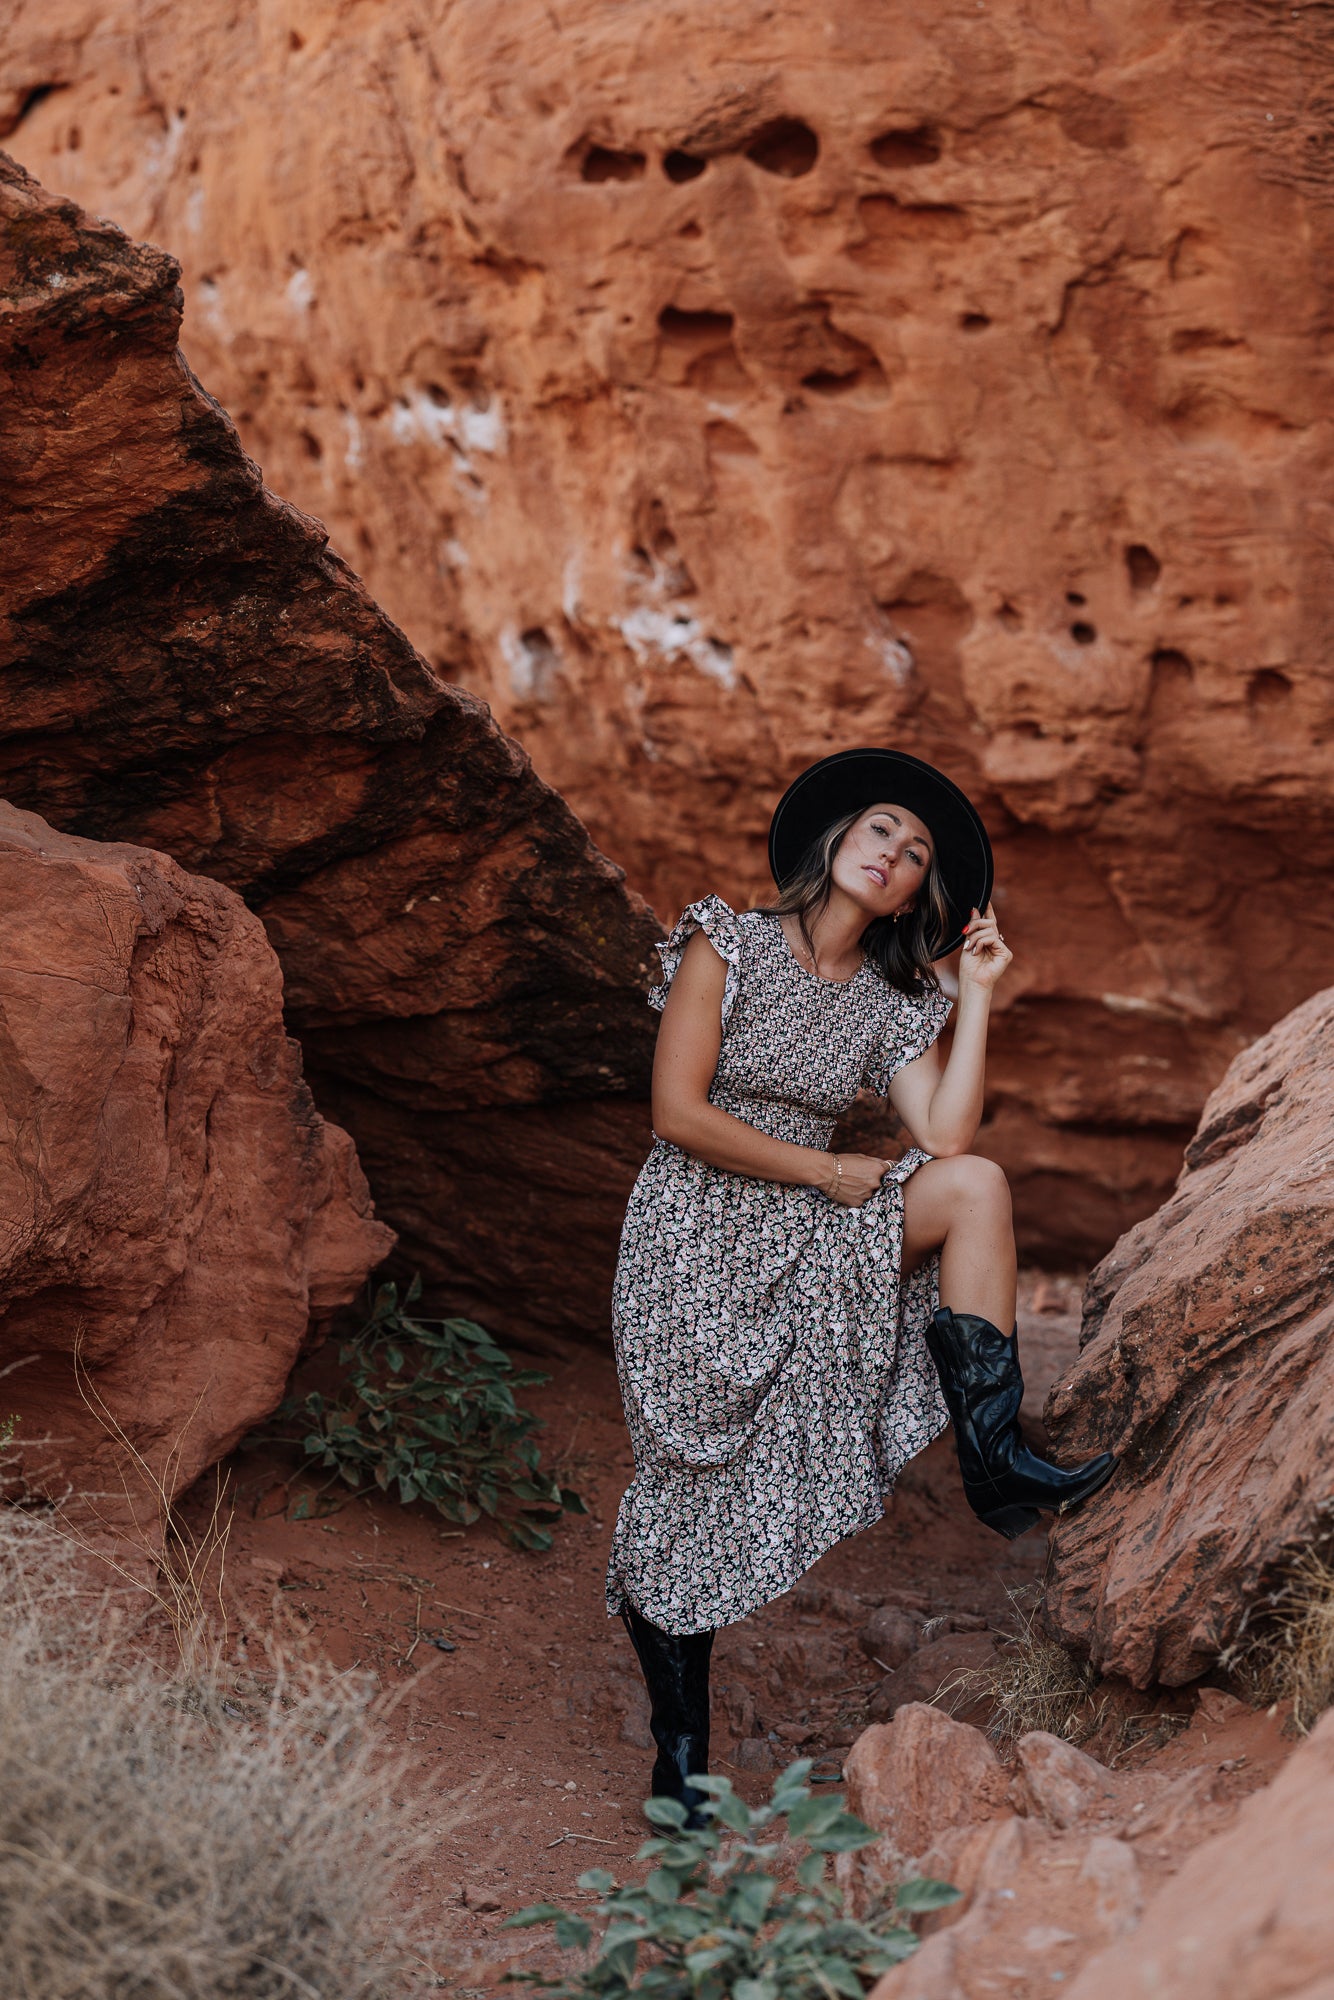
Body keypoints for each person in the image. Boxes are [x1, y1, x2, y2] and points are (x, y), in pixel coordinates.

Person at [605, 747, 1115, 1821]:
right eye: (883, 827)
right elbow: (675, 1112)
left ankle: (995, 1454)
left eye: (916, 851)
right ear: (837, 838)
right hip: (692, 1235)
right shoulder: (726, 942)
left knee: (971, 1184)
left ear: (917, 891)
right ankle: (680, 1761)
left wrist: (972, 994)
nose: (894, 851)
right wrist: (828, 1167)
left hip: (810, 1230)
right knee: (684, 1477)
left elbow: (944, 1133)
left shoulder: (890, 1000)